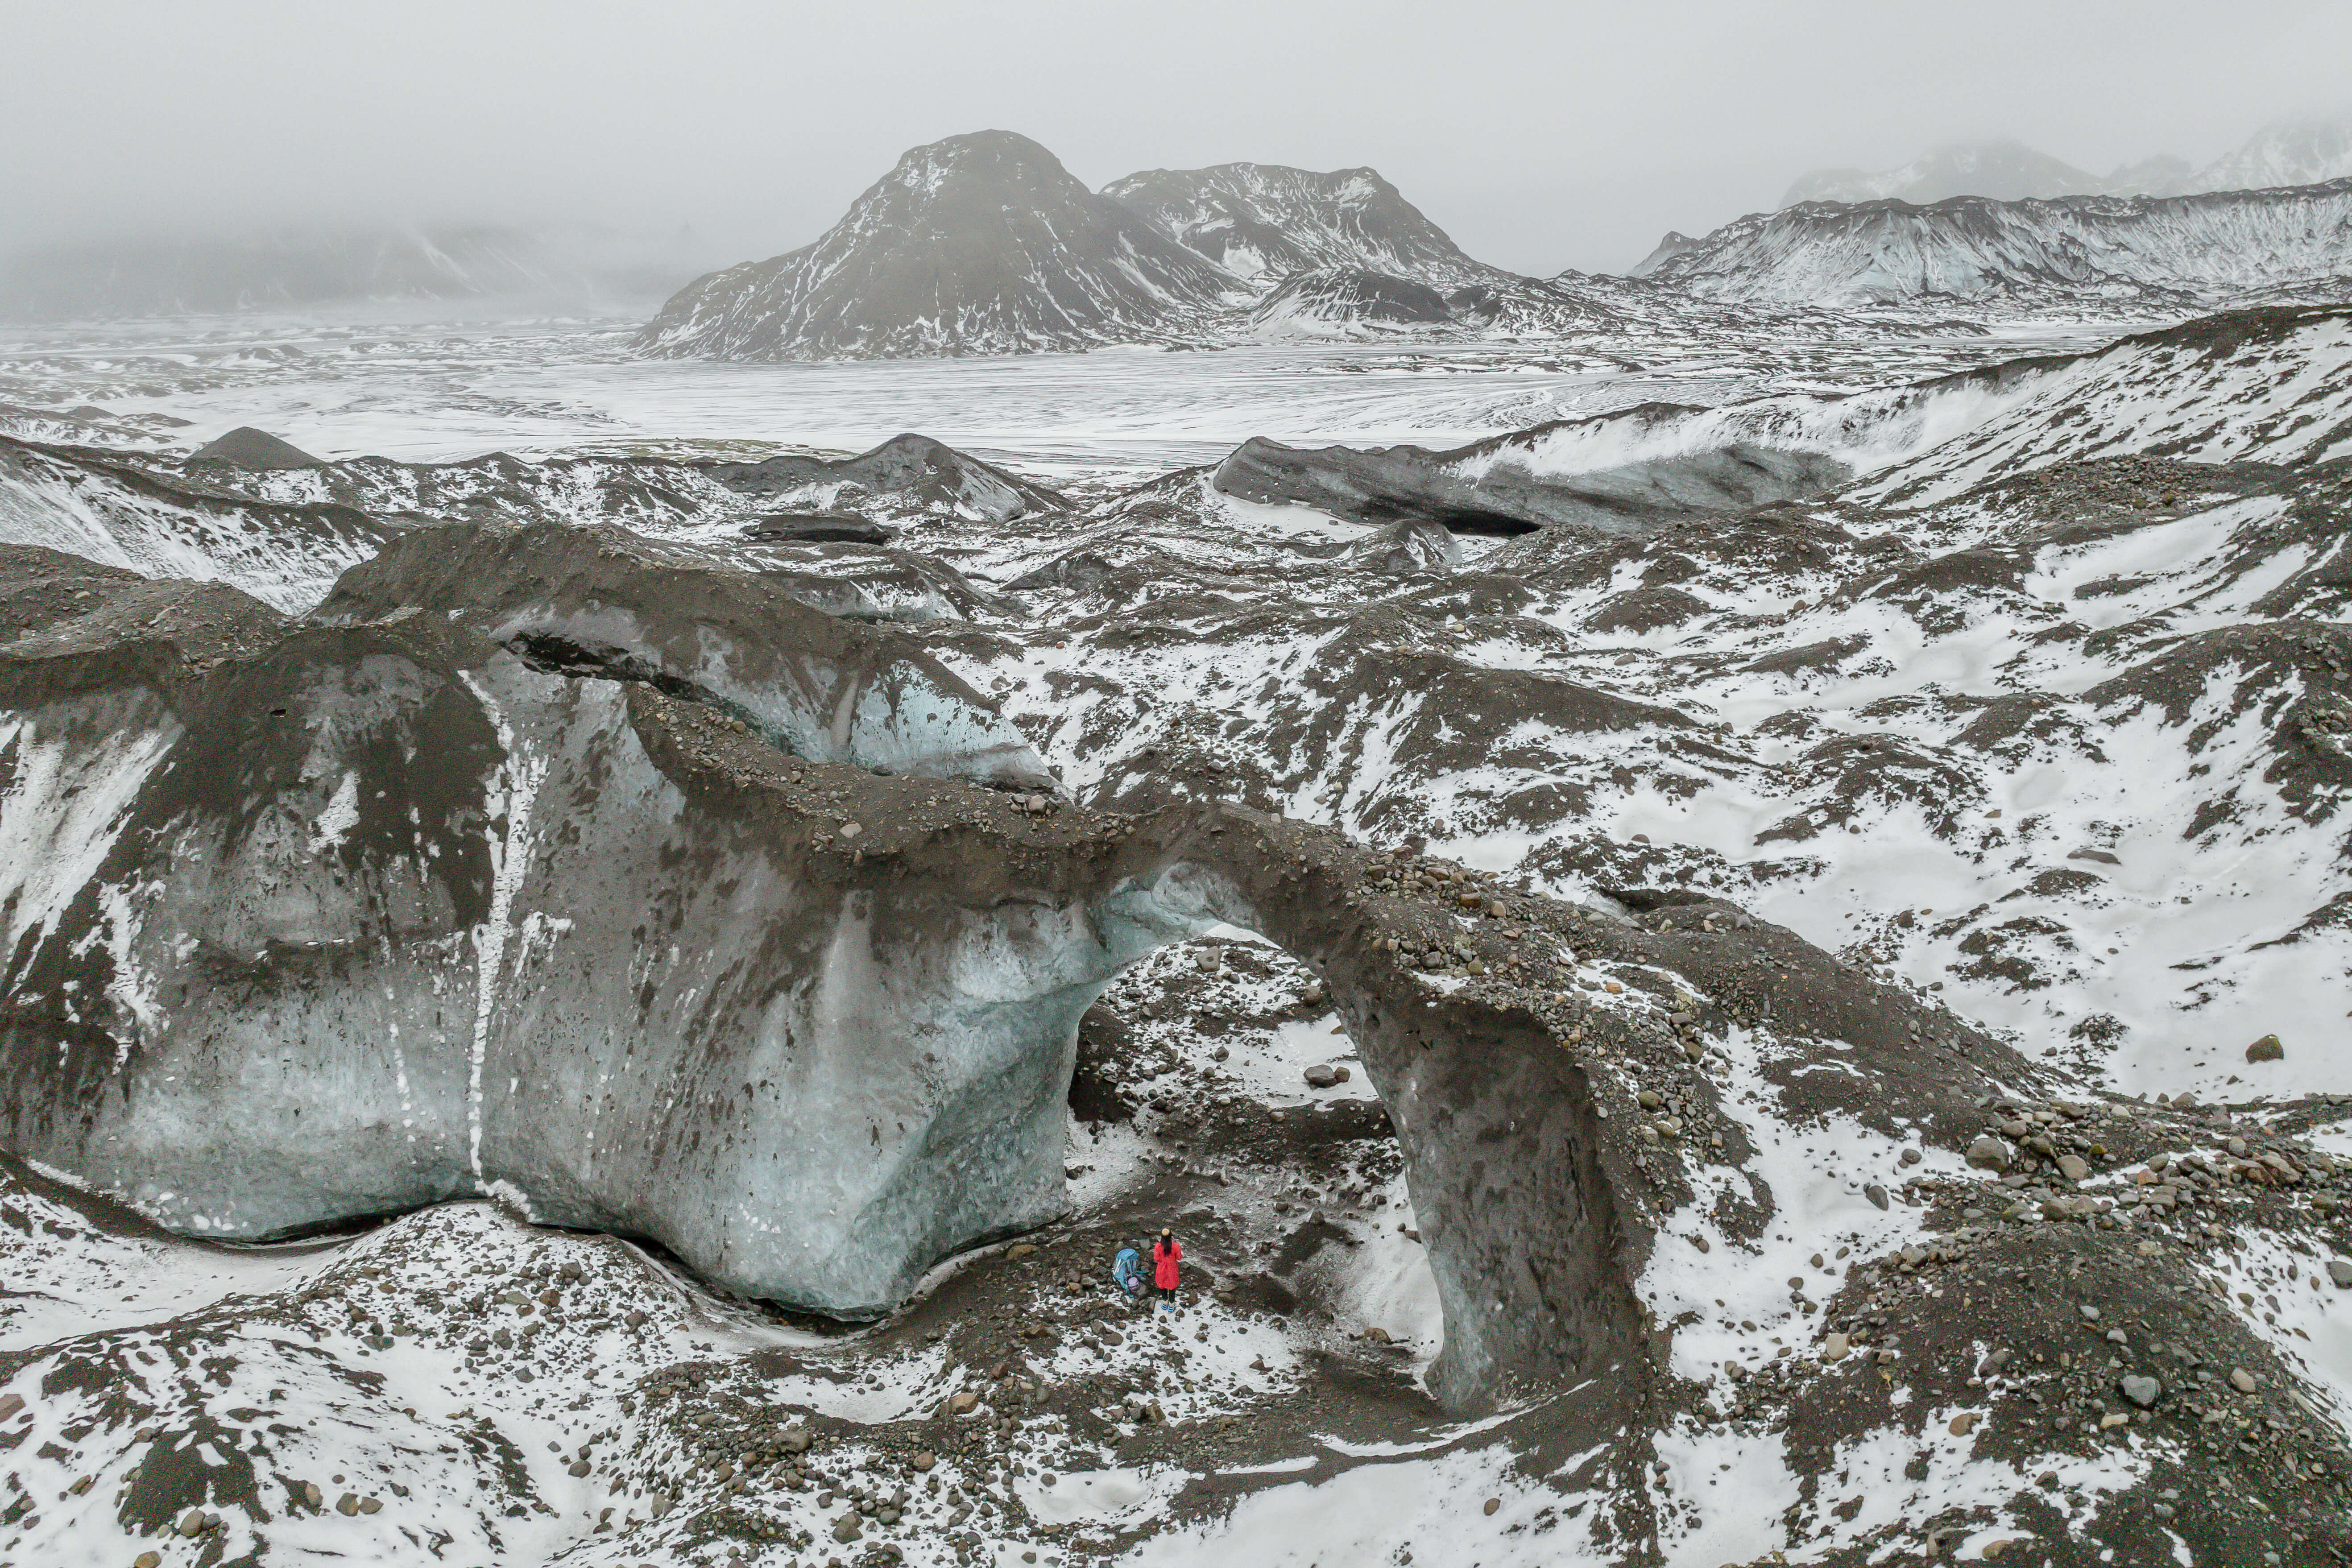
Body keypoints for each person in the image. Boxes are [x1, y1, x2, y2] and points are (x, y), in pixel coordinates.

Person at [1152, 1227, 1181, 1310]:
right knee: (1172, 1287)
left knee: (1162, 1285)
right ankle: (1172, 1304)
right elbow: (1179, 1258)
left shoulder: (1158, 1246)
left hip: (1161, 1269)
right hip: (1172, 1269)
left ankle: (1165, 1301)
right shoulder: (1176, 1246)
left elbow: (1156, 1259)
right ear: (1171, 1237)